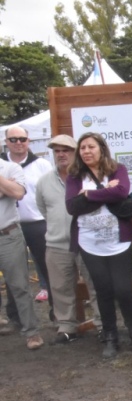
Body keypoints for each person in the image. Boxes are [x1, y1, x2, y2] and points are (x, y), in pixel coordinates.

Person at [66, 132, 132, 359]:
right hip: (89, 242)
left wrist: (89, 193)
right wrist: (105, 193)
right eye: (83, 148)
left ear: (101, 148)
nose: (87, 151)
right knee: (103, 290)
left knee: (123, 289)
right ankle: (110, 337)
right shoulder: (74, 176)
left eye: (91, 147)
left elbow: (121, 192)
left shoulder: (117, 169)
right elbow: (73, 206)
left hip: (118, 240)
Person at [36, 134, 89, 343]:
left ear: (75, 153)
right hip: (57, 243)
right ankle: (67, 326)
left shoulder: (87, 177)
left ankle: (104, 324)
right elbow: (43, 209)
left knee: (94, 284)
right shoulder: (44, 181)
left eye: (65, 150)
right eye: (57, 151)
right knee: (60, 287)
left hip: (86, 242)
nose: (61, 154)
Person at [2, 125, 55, 324]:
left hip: (37, 223)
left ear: (28, 141)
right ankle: (16, 316)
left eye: (22, 139)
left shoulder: (41, 164)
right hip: (10, 225)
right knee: (12, 273)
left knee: (47, 268)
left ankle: (56, 312)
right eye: (13, 139)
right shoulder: (2, 165)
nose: (18, 143)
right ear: (6, 142)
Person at [0, 154, 41, 348]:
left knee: (19, 285)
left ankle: (31, 332)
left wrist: (6, 185)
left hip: (8, 235)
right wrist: (4, 189)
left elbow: (17, 193)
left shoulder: (11, 168)